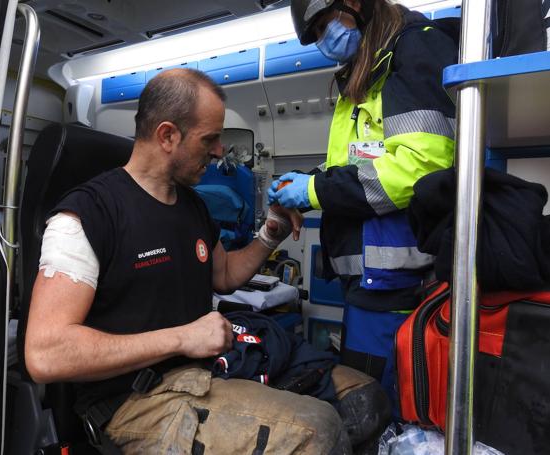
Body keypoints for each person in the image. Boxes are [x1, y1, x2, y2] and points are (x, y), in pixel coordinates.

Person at [25, 68, 389, 454]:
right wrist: (183, 338)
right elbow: (46, 353)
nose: (219, 151)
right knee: (318, 430)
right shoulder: (87, 214)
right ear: (168, 135)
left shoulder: (191, 206)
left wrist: (271, 234)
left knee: (363, 398)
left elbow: (226, 274)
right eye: (210, 139)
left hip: (205, 373)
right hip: (134, 402)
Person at [268, 0, 457, 408]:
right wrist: (306, 182)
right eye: (315, 34)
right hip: (369, 286)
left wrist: (313, 191)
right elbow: (362, 161)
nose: (324, 41)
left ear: (353, 4)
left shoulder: (412, 51)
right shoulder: (368, 70)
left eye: (323, 25)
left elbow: (420, 166)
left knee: (382, 412)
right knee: (361, 407)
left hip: (402, 285)